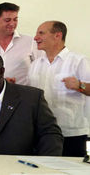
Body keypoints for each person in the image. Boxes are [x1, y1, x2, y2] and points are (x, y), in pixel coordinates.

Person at [28, 21, 90, 157]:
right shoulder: (35, 65)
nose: (35, 37)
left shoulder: (79, 61)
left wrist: (80, 85)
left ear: (57, 35)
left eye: (41, 33)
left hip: (71, 134)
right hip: (42, 134)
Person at [0, 2, 42, 85]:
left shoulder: (31, 42)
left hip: (23, 94)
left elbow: (42, 69)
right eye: (7, 20)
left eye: (15, 19)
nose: (12, 24)